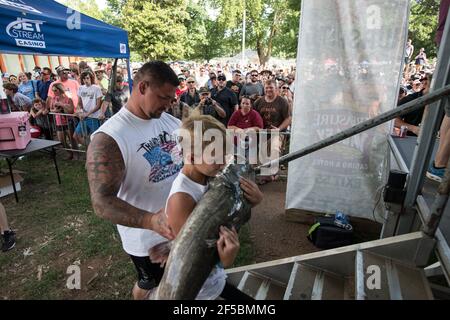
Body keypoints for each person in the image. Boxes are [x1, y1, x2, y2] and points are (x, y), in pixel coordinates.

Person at [86, 61, 181, 300]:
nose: (168, 104)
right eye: (163, 97)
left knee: (179, 285)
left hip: (180, 228)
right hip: (146, 240)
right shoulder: (109, 138)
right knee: (152, 286)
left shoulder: (171, 122)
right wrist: (150, 220)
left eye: (172, 99)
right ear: (142, 87)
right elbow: (102, 202)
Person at [148, 114, 262, 300]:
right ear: (192, 157)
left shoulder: (209, 177)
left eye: (224, 154)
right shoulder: (181, 199)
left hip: (215, 283)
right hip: (200, 293)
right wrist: (225, 259)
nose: (223, 162)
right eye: (216, 157)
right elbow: (191, 257)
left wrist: (253, 200)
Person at [73, 71, 104, 146]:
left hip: (94, 117)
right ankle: (90, 148)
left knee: (96, 139)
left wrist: (87, 114)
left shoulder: (97, 88)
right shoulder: (81, 88)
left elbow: (98, 105)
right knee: (76, 136)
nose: (86, 80)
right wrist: (79, 111)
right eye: (84, 79)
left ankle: (96, 151)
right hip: (84, 117)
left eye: (87, 78)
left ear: (91, 78)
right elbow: (79, 103)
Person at [49, 83, 76, 159]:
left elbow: (71, 110)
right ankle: (70, 153)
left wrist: (62, 104)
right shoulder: (53, 99)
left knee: (72, 140)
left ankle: (76, 154)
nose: (54, 92)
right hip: (58, 121)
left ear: (60, 90)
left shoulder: (68, 99)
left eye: (55, 90)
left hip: (68, 121)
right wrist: (55, 110)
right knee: (61, 140)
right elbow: (50, 109)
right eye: (53, 90)